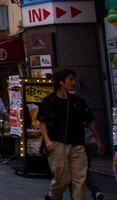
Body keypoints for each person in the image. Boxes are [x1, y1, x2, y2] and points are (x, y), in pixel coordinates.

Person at [39, 68, 104, 200]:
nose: (73, 82)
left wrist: (98, 141)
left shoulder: (78, 102)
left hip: (78, 144)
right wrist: (47, 140)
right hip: (57, 144)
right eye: (70, 79)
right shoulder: (48, 101)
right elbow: (42, 121)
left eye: (74, 79)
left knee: (80, 179)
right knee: (63, 178)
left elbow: (90, 121)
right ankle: (53, 196)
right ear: (61, 82)